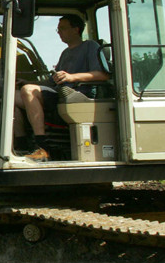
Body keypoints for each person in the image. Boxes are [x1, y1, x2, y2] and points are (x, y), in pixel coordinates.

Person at [14, 14, 109, 162]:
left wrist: (72, 77)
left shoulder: (90, 46)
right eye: (58, 29)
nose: (59, 32)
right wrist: (29, 82)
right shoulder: (65, 53)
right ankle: (20, 145)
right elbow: (53, 82)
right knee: (11, 96)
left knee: (27, 91)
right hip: (59, 93)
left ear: (76, 29)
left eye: (63, 29)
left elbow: (103, 75)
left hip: (78, 95)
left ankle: (42, 147)